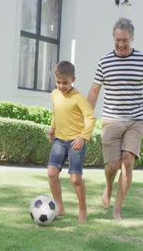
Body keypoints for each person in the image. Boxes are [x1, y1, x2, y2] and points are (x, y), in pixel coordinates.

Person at [87, 18, 143, 220]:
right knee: (112, 166)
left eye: (125, 40)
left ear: (132, 39)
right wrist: (86, 119)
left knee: (127, 163)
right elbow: (94, 91)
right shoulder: (104, 62)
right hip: (111, 119)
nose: (121, 44)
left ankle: (117, 209)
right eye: (118, 40)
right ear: (113, 38)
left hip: (136, 120)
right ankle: (108, 187)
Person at [47, 60, 96, 222]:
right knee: (52, 174)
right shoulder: (54, 94)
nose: (61, 86)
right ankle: (59, 207)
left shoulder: (78, 98)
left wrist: (83, 137)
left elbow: (91, 117)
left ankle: (83, 208)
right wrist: (53, 128)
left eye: (65, 83)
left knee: (75, 179)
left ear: (73, 79)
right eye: (58, 82)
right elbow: (56, 113)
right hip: (60, 140)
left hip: (76, 142)